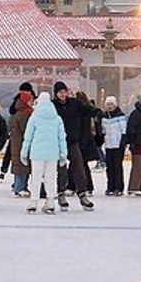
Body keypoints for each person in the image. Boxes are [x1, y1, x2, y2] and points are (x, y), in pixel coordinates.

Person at [20, 91, 67, 215]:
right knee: (51, 178)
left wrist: (24, 153)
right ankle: (50, 202)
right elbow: (62, 138)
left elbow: (28, 137)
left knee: (36, 177)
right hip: (53, 153)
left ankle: (33, 202)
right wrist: (63, 154)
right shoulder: (57, 119)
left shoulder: (34, 117)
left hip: (37, 153)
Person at [52, 81, 93, 210]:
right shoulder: (52, 106)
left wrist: (95, 111)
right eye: (60, 93)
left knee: (79, 167)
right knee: (62, 169)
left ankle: (82, 194)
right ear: (56, 94)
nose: (63, 95)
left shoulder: (74, 103)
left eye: (64, 92)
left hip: (73, 141)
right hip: (59, 142)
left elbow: (87, 110)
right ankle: (61, 193)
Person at [7, 89, 34, 197]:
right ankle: (19, 187)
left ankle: (21, 186)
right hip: (21, 144)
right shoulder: (23, 113)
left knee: (22, 165)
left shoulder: (24, 112)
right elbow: (26, 130)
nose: (32, 102)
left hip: (19, 143)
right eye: (30, 100)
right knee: (21, 166)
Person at [100, 96, 127, 196]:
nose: (110, 106)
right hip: (108, 145)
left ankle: (119, 187)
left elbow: (124, 130)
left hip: (118, 145)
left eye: (111, 104)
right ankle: (110, 187)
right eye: (108, 104)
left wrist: (123, 142)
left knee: (117, 166)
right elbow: (103, 131)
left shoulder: (120, 116)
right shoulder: (104, 117)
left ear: (115, 105)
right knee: (109, 167)